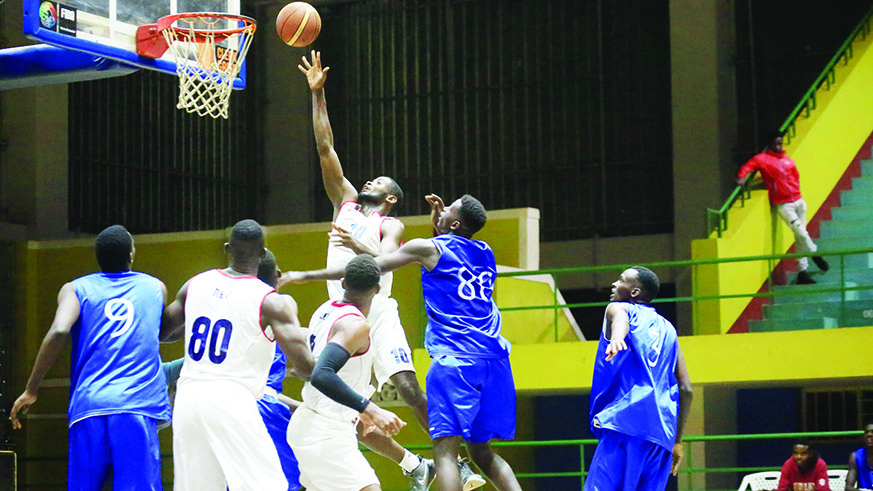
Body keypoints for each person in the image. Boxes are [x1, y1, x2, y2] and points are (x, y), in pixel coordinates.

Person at [296, 50, 485, 491]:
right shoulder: (344, 202)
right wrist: (318, 93)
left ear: (391, 198)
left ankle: (457, 464)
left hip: (376, 311)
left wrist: (355, 245)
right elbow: (325, 148)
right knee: (342, 406)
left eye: (378, 183)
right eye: (368, 180)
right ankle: (414, 468)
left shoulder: (390, 224)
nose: (368, 182)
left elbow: (383, 258)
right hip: (341, 312)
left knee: (409, 389)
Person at [286, 194, 522, 491]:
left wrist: (304, 274)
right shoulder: (485, 251)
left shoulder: (417, 242)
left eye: (449, 209)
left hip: (456, 357)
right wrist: (441, 226)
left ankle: (445, 468)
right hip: (495, 358)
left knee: (444, 452)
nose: (442, 209)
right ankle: (422, 466)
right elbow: (451, 253)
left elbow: (375, 267)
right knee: (484, 454)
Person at [9, 224, 171, 490]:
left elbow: (59, 330)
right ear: (131, 255)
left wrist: (31, 388)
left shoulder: (75, 289)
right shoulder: (155, 287)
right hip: (135, 406)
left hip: (89, 405)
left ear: (97, 256)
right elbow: (161, 331)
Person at [160, 219, 315, 491]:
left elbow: (163, 332)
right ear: (263, 254)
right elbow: (305, 367)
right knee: (268, 486)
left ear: (227, 249)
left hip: (187, 397)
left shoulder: (196, 283)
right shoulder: (271, 300)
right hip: (232, 398)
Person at [287, 254, 407, 491]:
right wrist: (371, 409)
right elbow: (322, 374)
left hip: (314, 423)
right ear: (377, 289)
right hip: (325, 430)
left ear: (343, 283)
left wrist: (356, 409)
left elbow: (328, 369)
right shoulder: (356, 325)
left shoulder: (326, 309)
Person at [585, 266, 694, 491]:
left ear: (634, 292)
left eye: (621, 280)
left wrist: (617, 338)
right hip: (662, 436)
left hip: (625, 421)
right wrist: (677, 441)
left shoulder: (619, 307)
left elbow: (620, 319)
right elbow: (686, 389)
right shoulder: (669, 330)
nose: (614, 284)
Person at [736, 130, 829, 284]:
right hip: (784, 204)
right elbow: (748, 166)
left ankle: (802, 272)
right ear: (770, 144)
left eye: (780, 143)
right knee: (801, 232)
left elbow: (796, 177)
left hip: (798, 200)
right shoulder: (762, 159)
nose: (779, 147)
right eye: (776, 144)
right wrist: (741, 177)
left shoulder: (788, 160)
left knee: (800, 236)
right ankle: (815, 254)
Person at [847, 423, 873, 491]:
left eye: (872, 432)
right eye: (866, 432)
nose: (869, 434)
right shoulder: (856, 456)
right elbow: (848, 488)